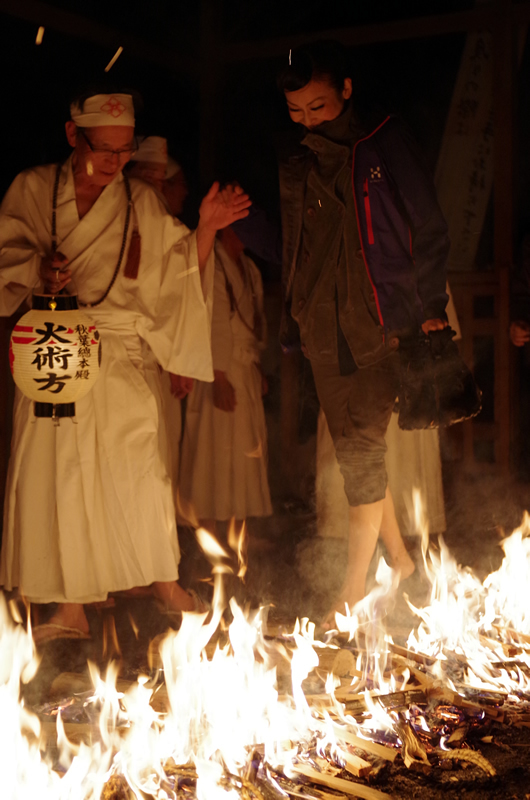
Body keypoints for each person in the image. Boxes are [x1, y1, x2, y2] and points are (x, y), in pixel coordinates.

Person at [0, 89, 250, 642]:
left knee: (140, 471)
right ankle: (68, 604)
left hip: (121, 348)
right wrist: (38, 268)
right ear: (73, 136)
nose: (115, 161)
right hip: (56, 338)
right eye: (103, 150)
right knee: (58, 472)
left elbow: (178, 268)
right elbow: (4, 256)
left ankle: (161, 580)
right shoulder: (35, 189)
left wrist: (206, 227)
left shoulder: (139, 199)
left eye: (123, 150)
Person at [233, 40, 449, 621]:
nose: (307, 119)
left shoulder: (382, 139)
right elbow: (293, 250)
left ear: (346, 90)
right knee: (359, 449)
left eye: (319, 107)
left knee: (362, 451)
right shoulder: (298, 158)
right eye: (297, 111)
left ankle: (352, 594)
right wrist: (242, 223)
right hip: (322, 331)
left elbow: (427, 224)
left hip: (384, 323)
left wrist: (429, 303)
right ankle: (401, 561)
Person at [179, 225, 272, 542]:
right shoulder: (215, 264)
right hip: (219, 366)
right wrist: (218, 377)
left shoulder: (248, 267)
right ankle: (208, 531)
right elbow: (216, 320)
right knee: (214, 452)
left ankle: (237, 533)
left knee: (243, 453)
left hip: (243, 366)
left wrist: (257, 366)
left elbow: (256, 320)